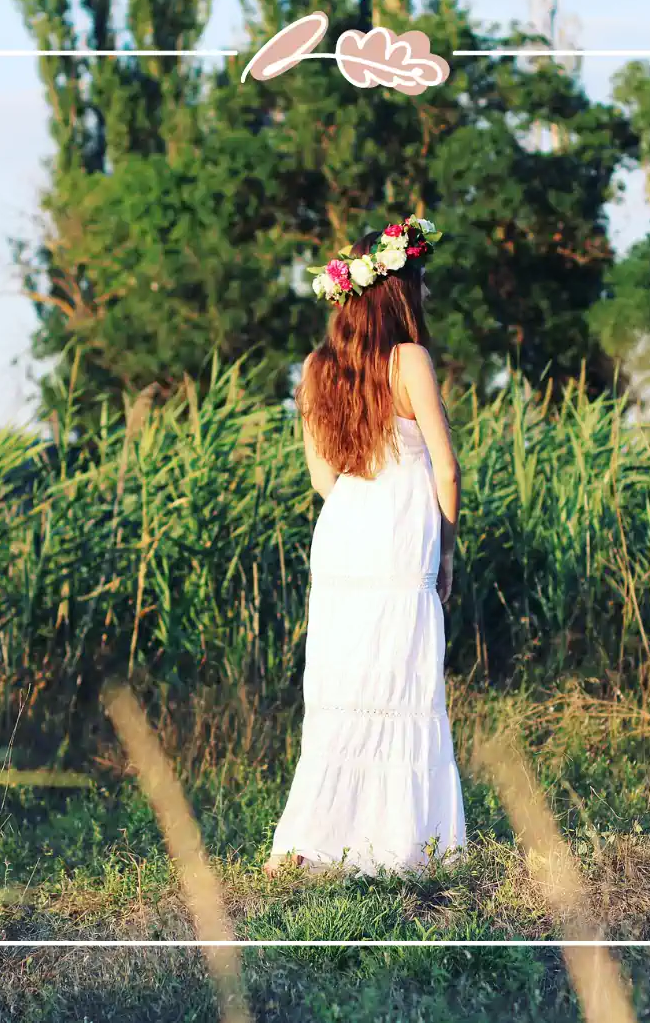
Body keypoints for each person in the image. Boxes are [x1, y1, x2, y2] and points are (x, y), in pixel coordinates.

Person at [264, 217, 466, 876]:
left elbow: (323, 478)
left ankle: (315, 840)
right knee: (403, 679)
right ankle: (398, 842)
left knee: (343, 684)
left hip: (345, 528)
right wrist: (447, 551)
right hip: (402, 528)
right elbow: (446, 468)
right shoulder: (409, 360)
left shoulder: (316, 369)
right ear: (395, 293)